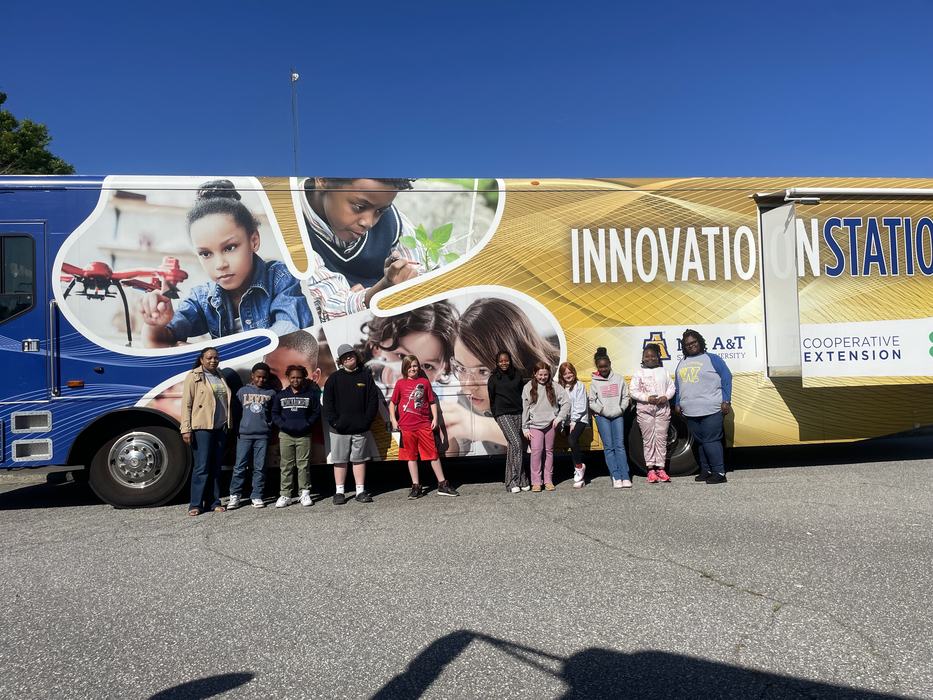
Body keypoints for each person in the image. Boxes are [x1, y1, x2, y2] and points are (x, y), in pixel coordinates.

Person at [141, 179, 313, 346]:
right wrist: (155, 323)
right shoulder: (201, 298)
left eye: (229, 248)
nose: (220, 264)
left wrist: (209, 355)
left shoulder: (280, 278)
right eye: (206, 253)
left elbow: (289, 338)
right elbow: (159, 342)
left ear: (253, 241)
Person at [302, 178, 426, 321]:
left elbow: (422, 272)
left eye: (380, 211)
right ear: (322, 179)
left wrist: (405, 275)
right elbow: (328, 308)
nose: (368, 222)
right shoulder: (292, 230)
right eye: (359, 207)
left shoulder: (391, 220)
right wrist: (380, 290)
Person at [448, 297, 561, 455]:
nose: (467, 385)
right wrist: (449, 439)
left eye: (483, 371)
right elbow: (457, 448)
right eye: (460, 368)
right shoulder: (469, 398)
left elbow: (538, 436)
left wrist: (481, 427)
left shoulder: (547, 382)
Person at [389, 355, 460, 499]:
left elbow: (432, 401)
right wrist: (393, 420)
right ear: (405, 368)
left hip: (424, 425)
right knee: (411, 457)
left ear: (419, 367)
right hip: (407, 427)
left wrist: (434, 418)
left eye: (415, 366)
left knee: (433, 455)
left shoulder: (424, 383)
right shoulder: (400, 384)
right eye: (409, 366)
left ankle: (442, 484)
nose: (412, 369)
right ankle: (416, 486)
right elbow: (393, 403)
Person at [322, 344, 380, 505]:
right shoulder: (334, 378)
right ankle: (339, 492)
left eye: (350, 355)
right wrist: (334, 422)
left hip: (360, 428)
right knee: (340, 460)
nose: (348, 358)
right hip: (338, 429)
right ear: (340, 361)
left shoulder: (366, 376)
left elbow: (373, 401)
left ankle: (360, 491)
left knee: (359, 460)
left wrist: (367, 420)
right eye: (344, 357)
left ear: (356, 356)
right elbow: (327, 403)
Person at [674, 329, 733, 485]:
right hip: (690, 412)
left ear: (700, 342)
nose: (691, 345)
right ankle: (706, 471)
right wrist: (677, 403)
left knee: (711, 440)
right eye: (687, 344)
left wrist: (726, 400)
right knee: (700, 442)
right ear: (684, 347)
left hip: (711, 409)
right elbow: (678, 385)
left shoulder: (712, 359)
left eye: (694, 342)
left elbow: (727, 378)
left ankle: (719, 472)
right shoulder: (682, 362)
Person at [181, 347, 231, 515]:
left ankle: (214, 501)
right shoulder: (194, 376)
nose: (213, 360)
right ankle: (195, 504)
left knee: (216, 467)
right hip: (202, 428)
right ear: (201, 359)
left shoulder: (219, 375)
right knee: (201, 467)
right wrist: (186, 429)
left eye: (216, 357)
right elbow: (186, 404)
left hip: (220, 427)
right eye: (209, 358)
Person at [227, 362, 276, 509]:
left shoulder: (271, 393)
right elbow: (235, 412)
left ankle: (257, 495)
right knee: (239, 467)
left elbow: (273, 413)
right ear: (252, 376)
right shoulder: (242, 392)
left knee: (259, 467)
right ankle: (235, 495)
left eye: (264, 378)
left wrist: (268, 426)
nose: (261, 380)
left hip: (262, 436)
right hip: (244, 435)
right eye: (258, 377)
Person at [272, 364, 321, 507]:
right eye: (292, 377)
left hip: (304, 435)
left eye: (299, 377)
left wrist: (307, 424)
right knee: (286, 465)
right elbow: (275, 414)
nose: (296, 380)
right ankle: (285, 494)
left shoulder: (310, 395)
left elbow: (316, 413)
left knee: (303, 465)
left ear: (304, 378)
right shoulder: (281, 395)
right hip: (285, 435)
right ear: (288, 377)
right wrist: (284, 425)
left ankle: (304, 493)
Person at [629, 344, 675, 484]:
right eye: (646, 356)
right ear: (642, 358)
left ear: (658, 357)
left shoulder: (664, 371)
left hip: (662, 410)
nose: (650, 358)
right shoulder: (638, 373)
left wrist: (665, 397)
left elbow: (672, 388)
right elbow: (633, 391)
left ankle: (661, 469)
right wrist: (647, 398)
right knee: (648, 440)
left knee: (661, 439)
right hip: (645, 411)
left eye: (653, 356)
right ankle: (650, 469)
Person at [587, 347, 632, 489]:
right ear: (597, 367)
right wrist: (601, 410)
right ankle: (616, 476)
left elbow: (626, 396)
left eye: (606, 366)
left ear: (610, 364)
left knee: (619, 446)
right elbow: (591, 401)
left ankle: (625, 476)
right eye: (600, 367)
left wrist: (621, 409)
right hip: (602, 417)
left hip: (618, 415)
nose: (603, 369)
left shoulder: (619, 379)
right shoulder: (594, 382)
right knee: (609, 447)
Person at [521, 362, 569, 492]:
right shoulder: (528, 387)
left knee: (549, 452)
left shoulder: (555, 387)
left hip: (550, 425)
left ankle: (548, 480)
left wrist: (559, 417)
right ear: (535, 374)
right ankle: (536, 482)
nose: (543, 377)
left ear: (549, 374)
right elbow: (525, 409)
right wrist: (525, 427)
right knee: (536, 453)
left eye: (545, 375)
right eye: (540, 374)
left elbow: (566, 402)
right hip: (535, 426)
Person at [487, 351, 528, 493]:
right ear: (497, 363)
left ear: (510, 361)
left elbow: (521, 393)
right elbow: (491, 399)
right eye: (501, 361)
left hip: (517, 412)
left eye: (506, 361)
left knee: (514, 446)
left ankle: (522, 479)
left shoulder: (517, 375)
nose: (503, 363)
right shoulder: (493, 378)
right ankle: (511, 482)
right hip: (502, 414)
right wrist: (496, 414)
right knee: (517, 442)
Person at [557, 362, 589, 489]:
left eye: (570, 372)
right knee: (572, 444)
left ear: (574, 372)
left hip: (580, 419)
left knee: (572, 439)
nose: (568, 375)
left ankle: (579, 467)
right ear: (561, 375)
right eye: (565, 373)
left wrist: (574, 421)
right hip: (566, 420)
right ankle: (577, 470)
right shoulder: (560, 387)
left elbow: (581, 406)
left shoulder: (579, 386)